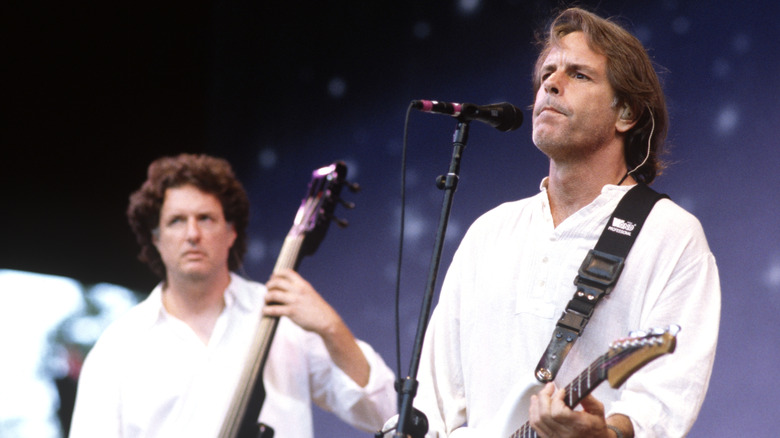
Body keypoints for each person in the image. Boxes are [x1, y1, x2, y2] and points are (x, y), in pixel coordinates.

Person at [412, 7, 720, 438]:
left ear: (626, 113)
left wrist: (602, 434)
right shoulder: (490, 232)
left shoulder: (669, 234)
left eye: (579, 75)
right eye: (547, 74)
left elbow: (665, 400)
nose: (550, 84)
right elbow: (434, 399)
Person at [69, 153, 396, 437]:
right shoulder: (118, 346)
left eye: (206, 219)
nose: (193, 234)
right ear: (155, 239)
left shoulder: (283, 315)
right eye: (176, 221)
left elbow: (383, 413)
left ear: (231, 232)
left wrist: (331, 328)